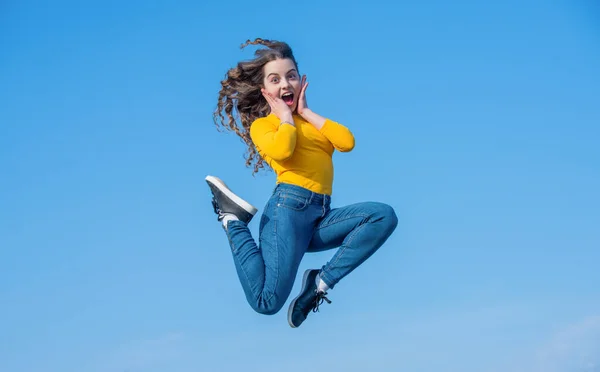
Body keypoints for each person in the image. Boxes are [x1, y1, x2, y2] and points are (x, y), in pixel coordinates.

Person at [205, 38, 398, 328]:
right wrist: (285, 116)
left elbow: (346, 142)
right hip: (288, 213)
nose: (285, 84)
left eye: (291, 76)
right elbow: (283, 149)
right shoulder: (265, 126)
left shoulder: (310, 122)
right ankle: (232, 219)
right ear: (265, 91)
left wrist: (305, 112)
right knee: (266, 302)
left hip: (320, 215)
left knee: (383, 216)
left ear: (301, 80)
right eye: (275, 79)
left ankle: (320, 283)